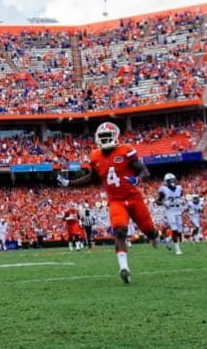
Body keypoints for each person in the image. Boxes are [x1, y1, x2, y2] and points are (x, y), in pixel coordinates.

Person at [58, 122, 158, 284]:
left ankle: (156, 235)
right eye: (102, 137)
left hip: (134, 198)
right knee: (119, 231)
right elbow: (92, 178)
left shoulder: (126, 150)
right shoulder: (95, 156)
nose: (104, 140)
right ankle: (124, 268)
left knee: (149, 230)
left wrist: (137, 179)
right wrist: (69, 183)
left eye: (107, 137)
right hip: (116, 201)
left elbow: (144, 170)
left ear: (114, 137)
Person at [156, 173, 185, 255]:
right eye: (170, 180)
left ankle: (169, 239)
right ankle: (177, 249)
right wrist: (164, 203)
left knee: (179, 231)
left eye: (173, 180)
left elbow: (180, 197)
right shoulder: (163, 189)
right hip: (170, 212)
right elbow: (157, 201)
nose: (172, 182)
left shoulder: (179, 188)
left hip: (178, 211)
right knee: (174, 229)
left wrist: (181, 201)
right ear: (166, 182)